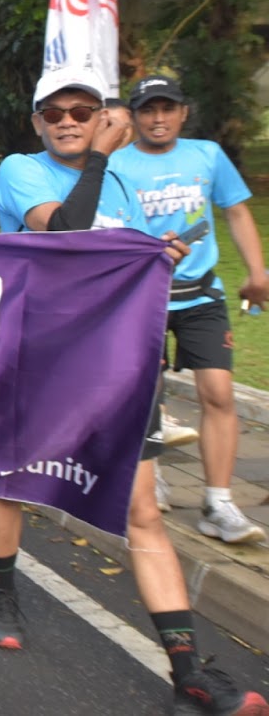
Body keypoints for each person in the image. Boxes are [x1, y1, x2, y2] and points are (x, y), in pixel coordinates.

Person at [0, 67, 267, 715]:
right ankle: (1, 588)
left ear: (96, 115)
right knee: (9, 481)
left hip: (112, 365)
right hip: (35, 357)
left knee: (142, 510)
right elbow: (63, 233)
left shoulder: (117, 179)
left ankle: (188, 671)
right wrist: (102, 158)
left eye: (81, 111)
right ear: (36, 121)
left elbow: (132, 259)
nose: (67, 121)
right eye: (53, 112)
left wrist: (158, 254)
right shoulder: (19, 170)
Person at [110, 76, 268, 545]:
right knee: (147, 396)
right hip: (145, 296)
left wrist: (257, 273)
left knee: (218, 392)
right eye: (148, 110)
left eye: (167, 109)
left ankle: (218, 501)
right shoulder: (117, 165)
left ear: (183, 112)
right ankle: (149, 478)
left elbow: (236, 210)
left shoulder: (207, 155)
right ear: (136, 117)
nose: (158, 119)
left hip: (203, 294)